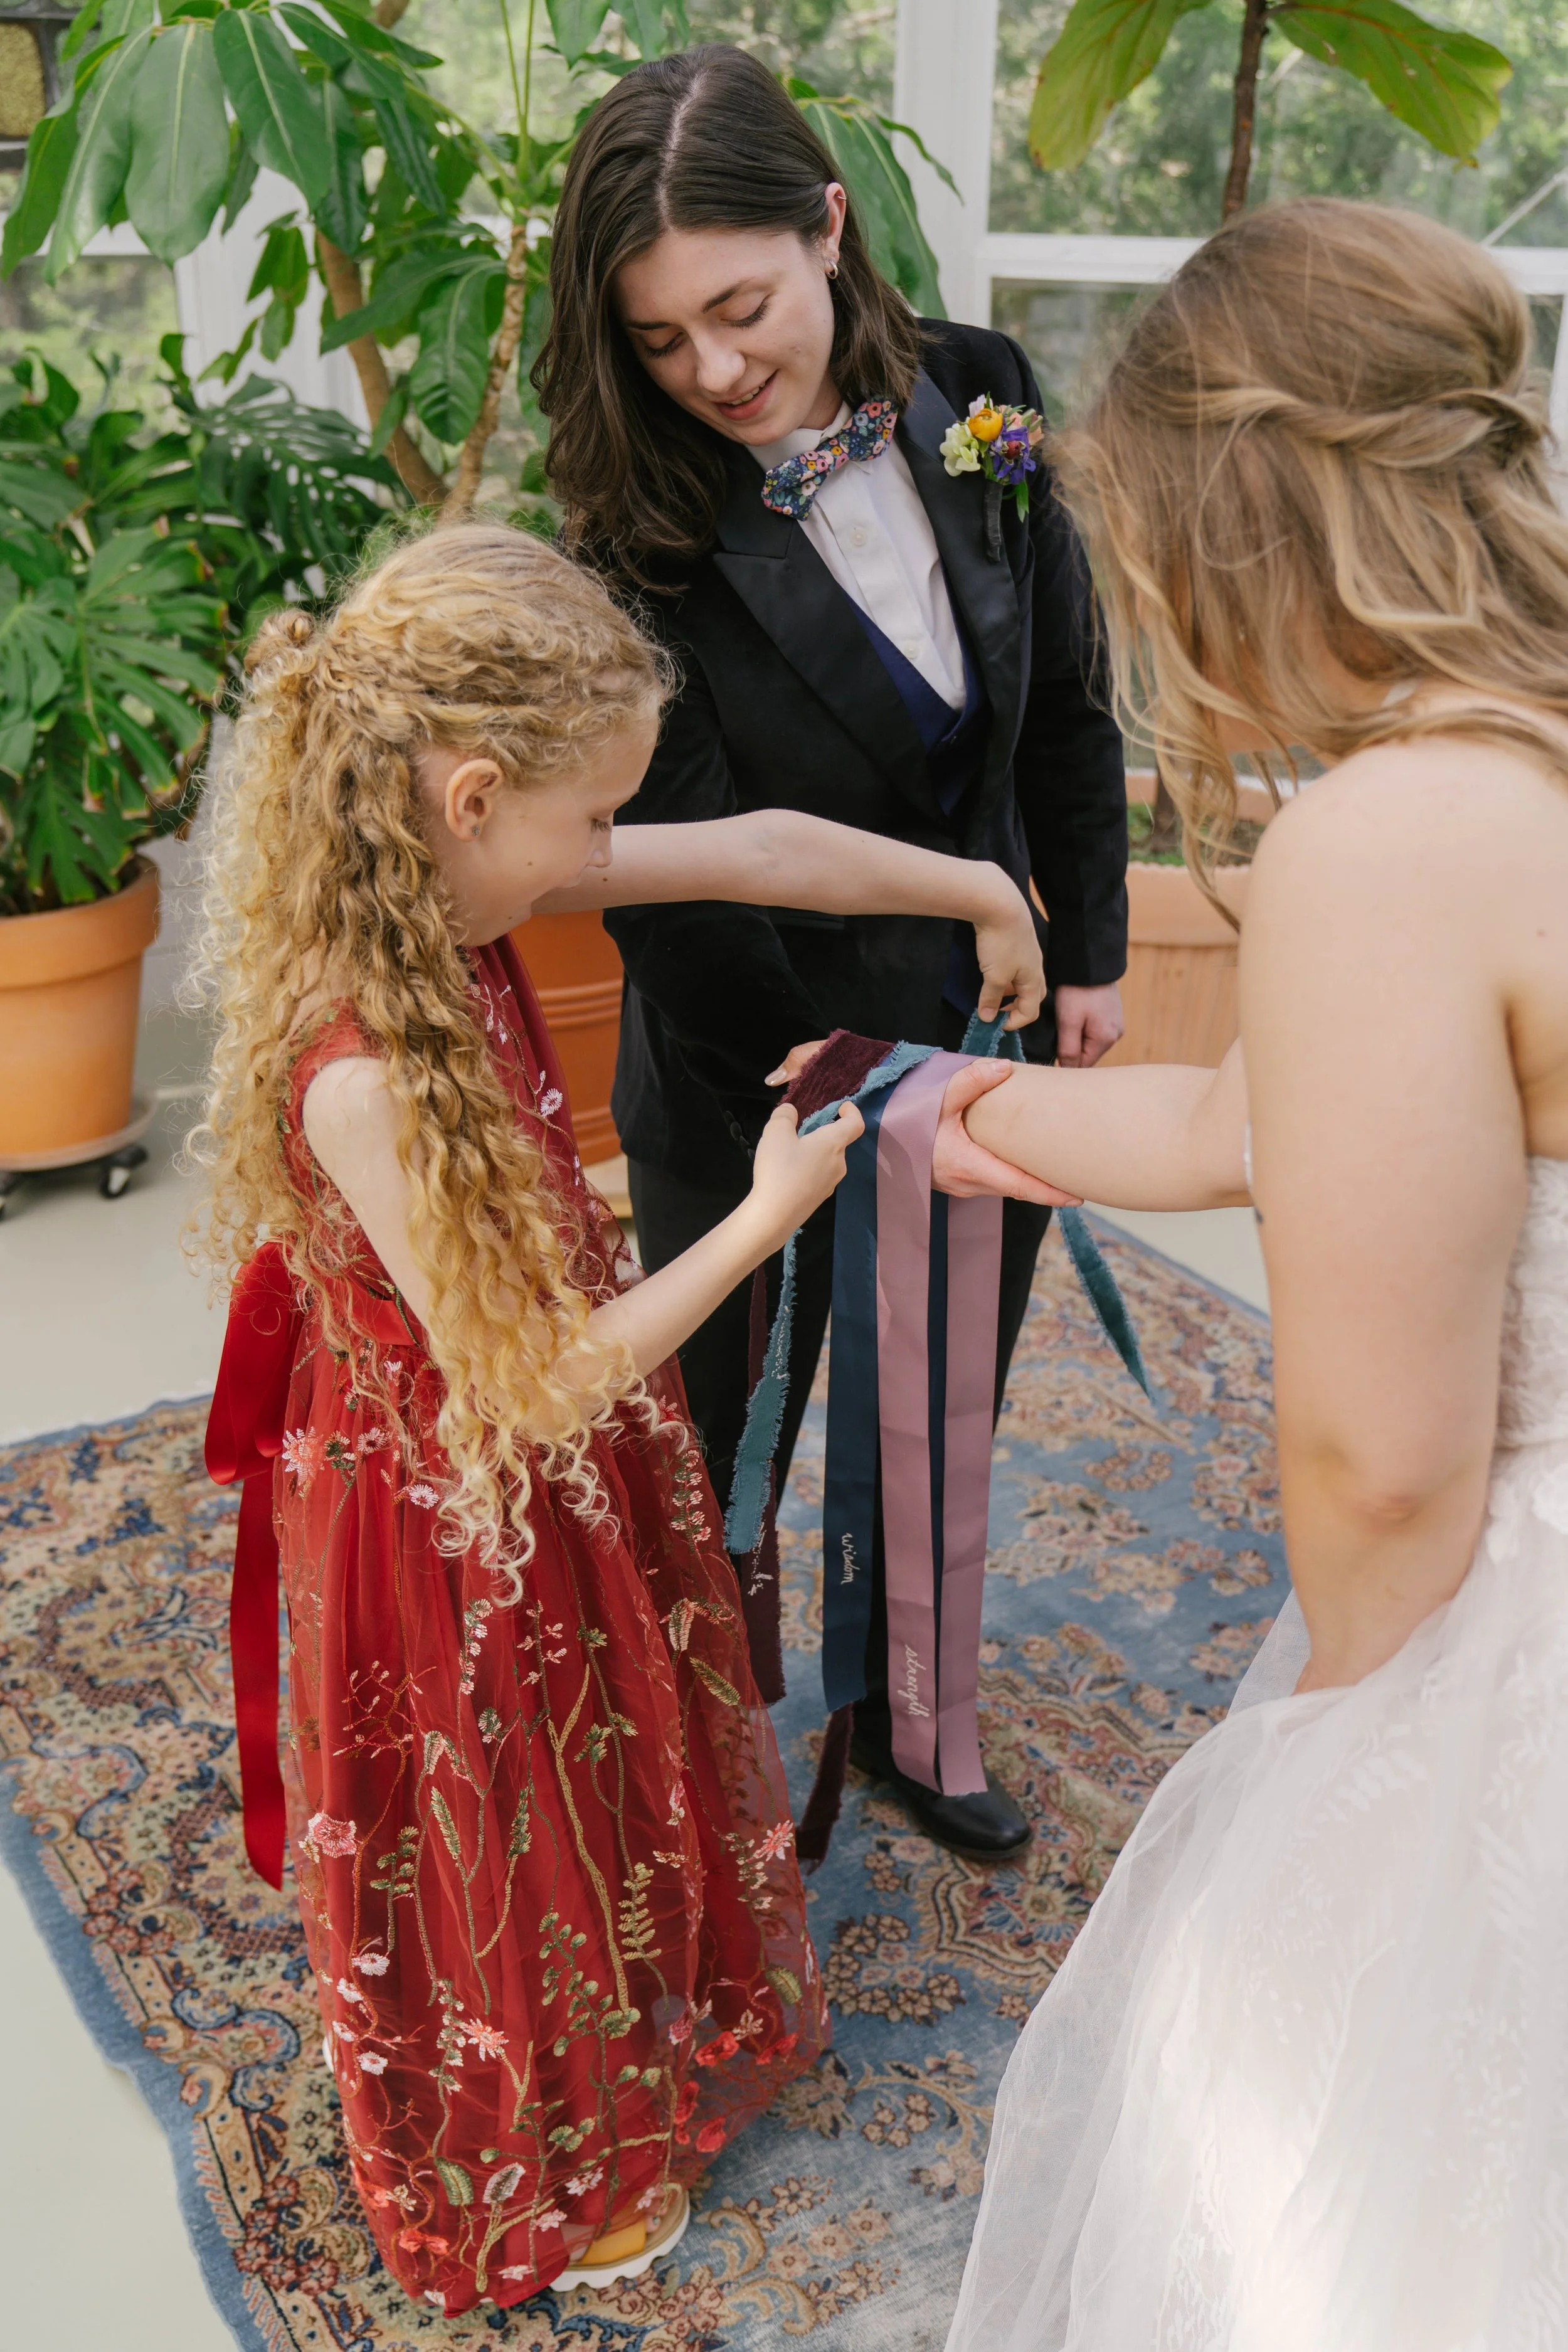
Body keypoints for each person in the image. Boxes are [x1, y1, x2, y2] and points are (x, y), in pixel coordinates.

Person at [188, 521, 1049, 2319]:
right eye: (589, 823)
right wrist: (760, 1213)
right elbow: (531, 1379)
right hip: (463, 1490)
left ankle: (622, 2028)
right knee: (502, 1803)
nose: (608, 857)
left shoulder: (449, 877)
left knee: (595, 1741)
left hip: (536, 1436)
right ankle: (543, 2158)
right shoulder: (358, 1067)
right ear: (475, 792)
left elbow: (754, 848)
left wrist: (973, 883)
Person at [911, 199, 1568, 2348]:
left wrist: (1334, 1769)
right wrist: (931, 1100)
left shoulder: (1394, 835)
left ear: (1246, 522)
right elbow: (1239, 1122)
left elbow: (1383, 1468)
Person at [536, 45, 1128, 1864]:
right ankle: (684, 1768)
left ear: (827, 228)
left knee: (943, 1394)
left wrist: (1086, 949)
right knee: (727, 1434)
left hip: (995, 1029)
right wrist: (848, 1097)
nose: (712, 371)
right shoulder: (632, 537)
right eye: (658, 340)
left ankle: (911, 1725)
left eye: (740, 308)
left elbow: (1062, 705)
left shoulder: (982, 393)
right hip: (760, 1074)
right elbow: (677, 889)